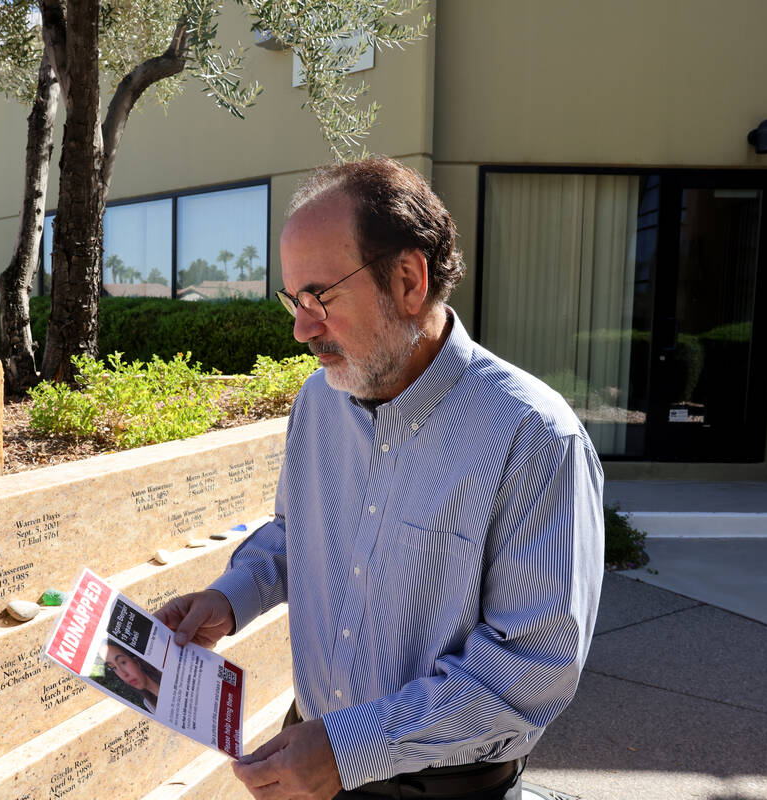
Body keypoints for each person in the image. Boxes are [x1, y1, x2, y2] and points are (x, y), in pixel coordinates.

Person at [155, 157, 604, 800]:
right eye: (293, 298)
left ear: (409, 280)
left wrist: (350, 750)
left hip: (437, 786)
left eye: (320, 297)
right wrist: (229, 597)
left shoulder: (533, 437)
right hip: (310, 756)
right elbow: (294, 535)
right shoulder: (317, 402)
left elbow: (530, 671)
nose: (300, 327)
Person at [104, 640, 162, 713]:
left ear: (136, 661)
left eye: (123, 662)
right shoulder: (149, 704)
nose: (123, 674)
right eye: (114, 668)